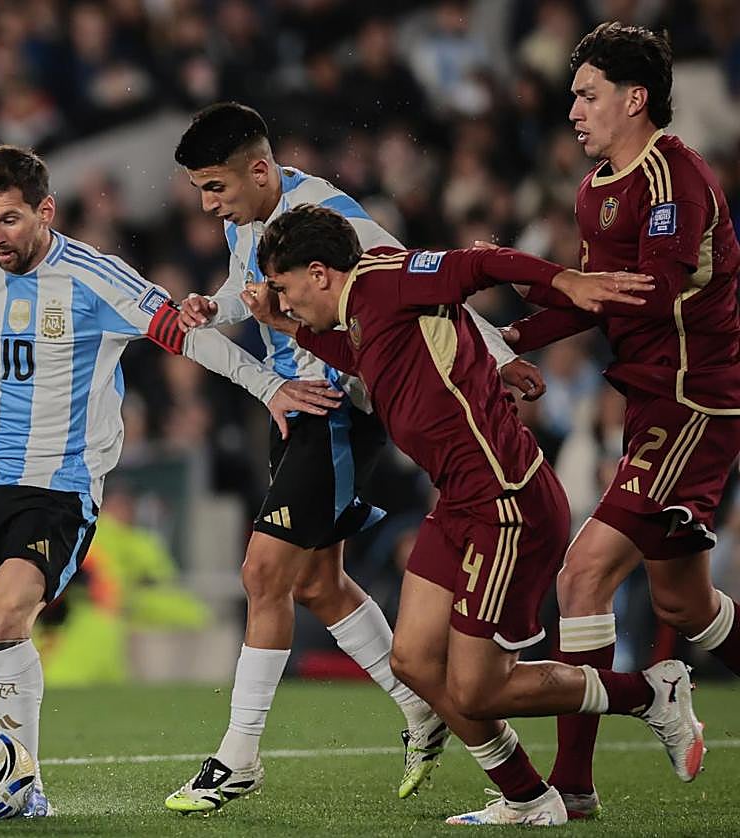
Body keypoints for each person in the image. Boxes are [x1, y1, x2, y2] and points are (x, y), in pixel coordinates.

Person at [0, 144, 338, 818]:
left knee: (1, 619)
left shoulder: (96, 277)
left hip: (59, 492)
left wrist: (269, 386)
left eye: (11, 220)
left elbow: (184, 336)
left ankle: (26, 786)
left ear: (45, 211)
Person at [243, 202, 704, 827]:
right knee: (412, 663)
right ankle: (527, 797)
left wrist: (565, 281)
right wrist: (287, 326)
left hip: (506, 502)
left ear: (320, 272)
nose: (283, 300)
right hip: (460, 502)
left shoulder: (389, 279)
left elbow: (482, 262)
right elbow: (362, 352)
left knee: (477, 687)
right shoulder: (357, 313)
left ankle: (652, 692)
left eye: (284, 287)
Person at [166, 102, 546, 811]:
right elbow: (251, 290)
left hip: (336, 404)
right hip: (300, 404)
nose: (210, 205)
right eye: (201, 193)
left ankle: (239, 755)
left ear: (259, 169)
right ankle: (421, 708)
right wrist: (214, 309)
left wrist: (495, 355)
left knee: (262, 573)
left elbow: (422, 283)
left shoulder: (333, 216)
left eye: (215, 188)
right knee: (316, 585)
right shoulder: (249, 218)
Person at [498, 22, 740, 819]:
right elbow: (598, 293)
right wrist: (507, 338)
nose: (573, 108)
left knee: (581, 574)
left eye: (587, 93)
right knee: (685, 609)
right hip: (650, 405)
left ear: (635, 99)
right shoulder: (597, 185)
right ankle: (655, 691)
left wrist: (538, 282)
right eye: (573, 94)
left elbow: (646, 290)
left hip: (694, 404)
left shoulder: (676, 181)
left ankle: (572, 787)